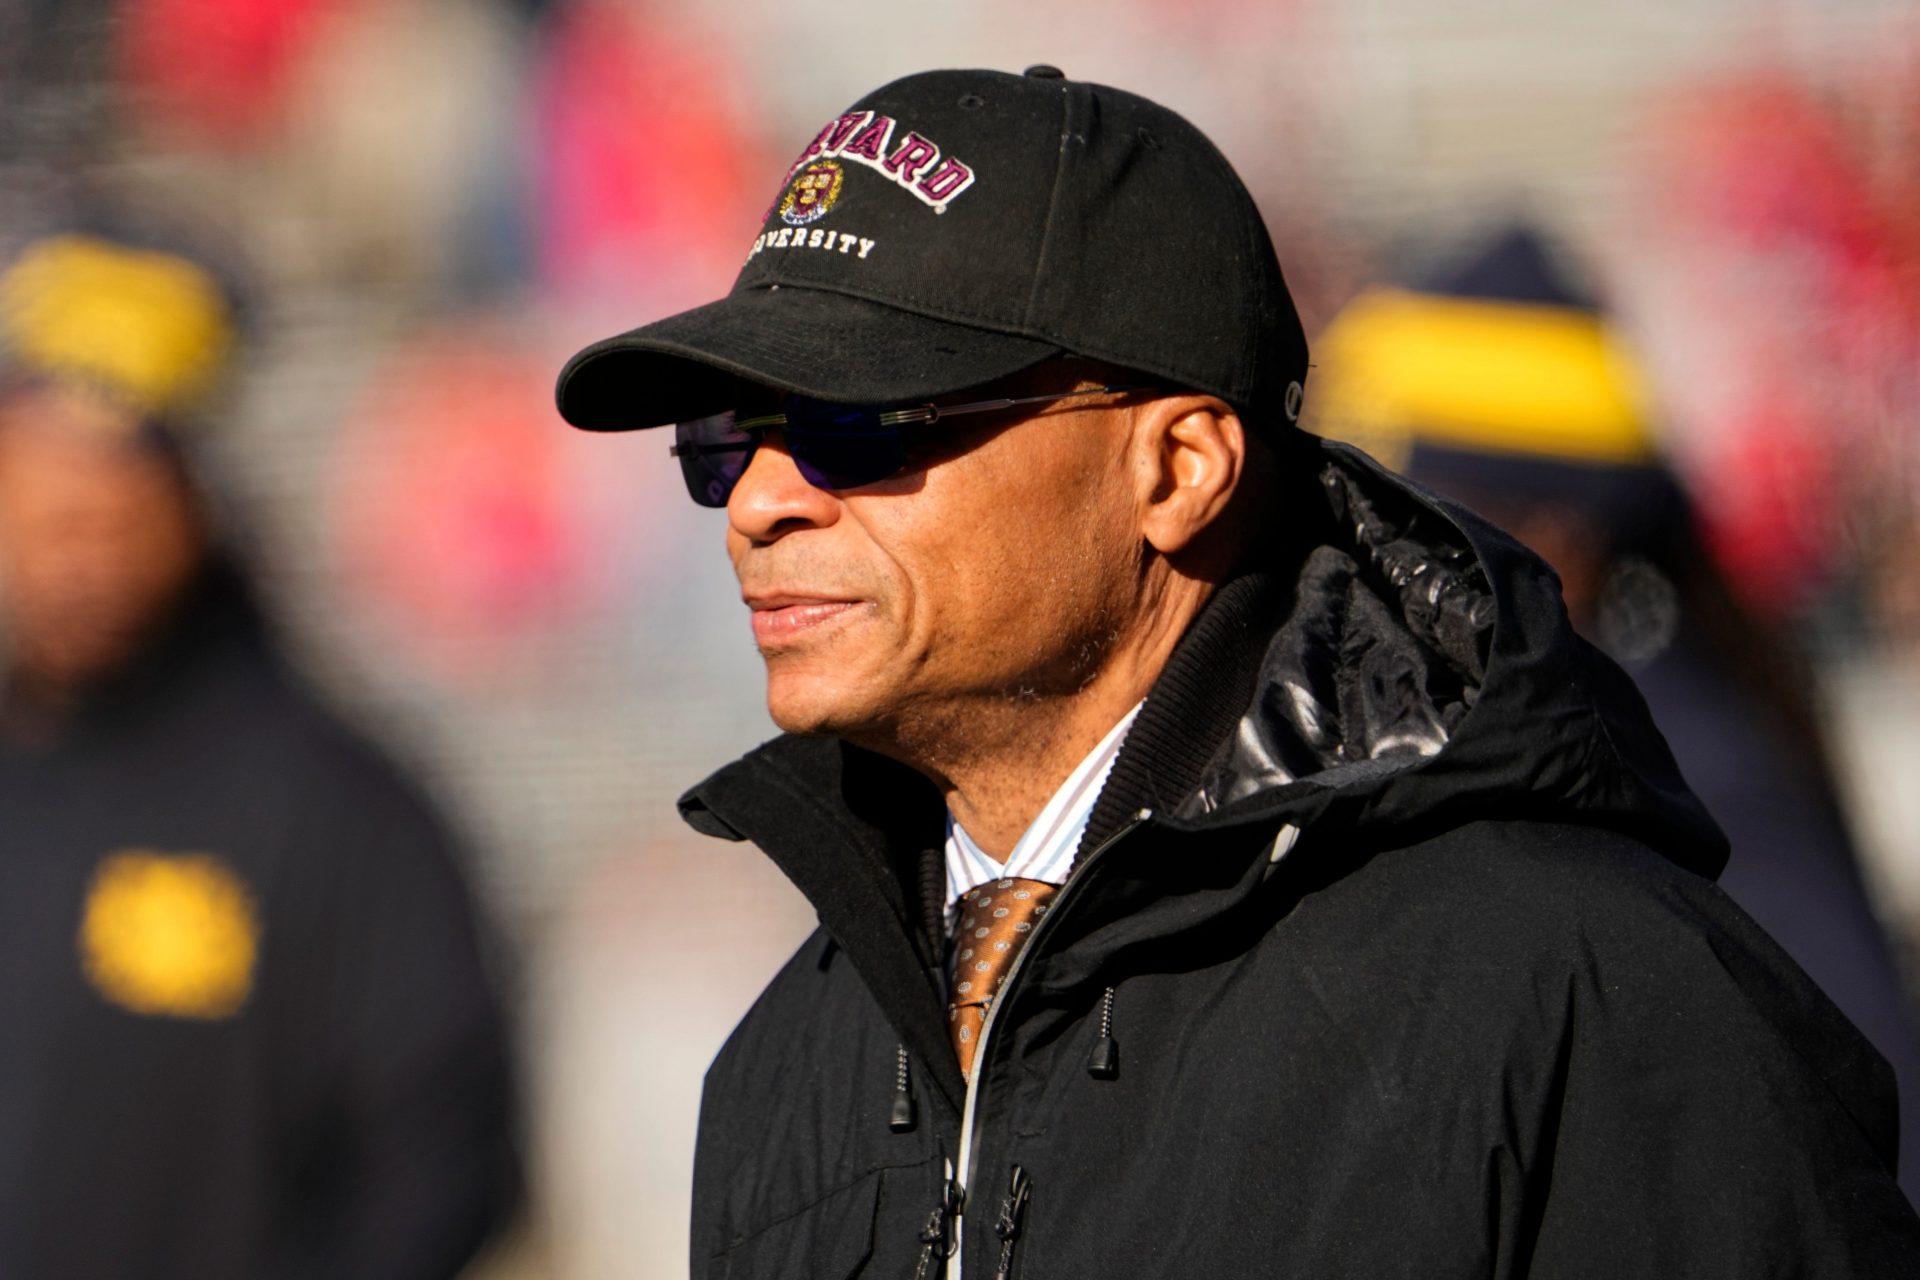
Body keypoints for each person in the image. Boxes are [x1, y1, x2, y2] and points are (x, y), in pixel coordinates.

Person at [555, 68, 1920, 1277]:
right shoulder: (787, 1059)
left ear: (1178, 468)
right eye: (729, 437)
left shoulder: (1578, 986)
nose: (759, 503)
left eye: (859, 422)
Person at [1310, 223, 1920, 1195]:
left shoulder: (1679, 764)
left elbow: (1872, 1140)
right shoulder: (1576, 727)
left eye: (1411, 523)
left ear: (1555, 536)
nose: (1373, 569)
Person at [0, 226, 519, 1278]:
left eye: (110, 516)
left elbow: (445, 1157)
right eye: (46, 514)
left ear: (194, 506)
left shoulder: (339, 812)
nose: (76, 560)